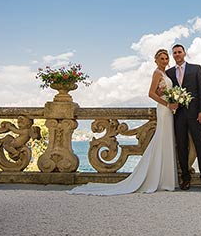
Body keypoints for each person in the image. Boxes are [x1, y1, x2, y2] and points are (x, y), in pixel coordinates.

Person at [67, 49, 178, 195]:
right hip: (164, 109)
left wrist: (171, 98)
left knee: (167, 140)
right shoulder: (157, 73)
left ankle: (166, 179)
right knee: (162, 139)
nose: (164, 61)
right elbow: (150, 93)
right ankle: (156, 178)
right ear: (156, 61)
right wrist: (167, 104)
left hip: (169, 109)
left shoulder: (165, 74)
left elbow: (159, 91)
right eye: (161, 58)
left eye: (166, 58)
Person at [165, 44, 201, 191]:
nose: (177, 54)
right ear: (173, 56)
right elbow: (167, 92)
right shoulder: (169, 72)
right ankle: (185, 178)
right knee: (181, 146)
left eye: (179, 52)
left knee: (200, 145)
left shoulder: (196, 68)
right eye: (175, 53)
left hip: (195, 114)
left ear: (184, 53)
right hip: (178, 115)